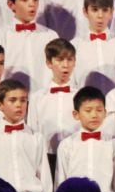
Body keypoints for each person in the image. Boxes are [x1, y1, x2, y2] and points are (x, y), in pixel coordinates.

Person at [55, 87, 115, 192]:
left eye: (99, 110)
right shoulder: (67, 145)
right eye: (88, 111)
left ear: (105, 112)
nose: (94, 115)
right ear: (76, 114)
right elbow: (60, 181)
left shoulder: (114, 144)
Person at [0, 0, 55, 92]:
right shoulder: (0, 37)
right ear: (11, 4)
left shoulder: (50, 36)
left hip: (43, 101)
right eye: (25, 0)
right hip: (12, 101)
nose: (32, 4)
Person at [27, 38, 79, 177]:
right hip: (47, 157)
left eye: (70, 60)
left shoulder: (81, 96)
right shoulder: (37, 97)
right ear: (49, 63)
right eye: (60, 60)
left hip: (75, 155)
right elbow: (33, 131)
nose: (65, 65)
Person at [70, 0, 115, 93]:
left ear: (111, 12)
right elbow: (72, 82)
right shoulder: (75, 45)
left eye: (105, 10)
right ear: (85, 12)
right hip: (86, 105)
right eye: (95, 10)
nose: (100, 15)